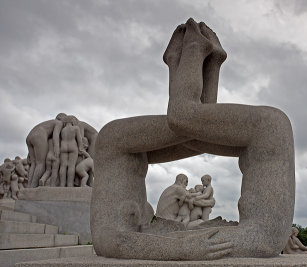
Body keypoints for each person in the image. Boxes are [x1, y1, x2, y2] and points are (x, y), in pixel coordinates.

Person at [91, 18, 294, 260]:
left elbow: (109, 243)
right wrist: (181, 249)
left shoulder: (112, 227)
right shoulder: (263, 239)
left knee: (189, 121)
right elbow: (110, 243)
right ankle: (192, 59)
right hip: (262, 232)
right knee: (190, 120)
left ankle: (195, 57)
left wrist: (180, 250)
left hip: (120, 152)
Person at [26, 113, 66, 187]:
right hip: (39, 134)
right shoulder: (59, 123)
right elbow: (56, 135)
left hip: (29, 136)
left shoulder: (48, 123)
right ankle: (33, 186)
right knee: (40, 163)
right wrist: (56, 147)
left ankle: (29, 186)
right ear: (61, 118)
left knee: (34, 163)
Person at [59, 115, 83, 187]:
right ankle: (70, 184)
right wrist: (81, 148)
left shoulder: (63, 130)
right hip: (73, 146)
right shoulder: (76, 128)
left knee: (63, 166)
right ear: (72, 121)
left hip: (63, 147)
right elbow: (79, 140)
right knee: (71, 166)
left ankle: (62, 184)